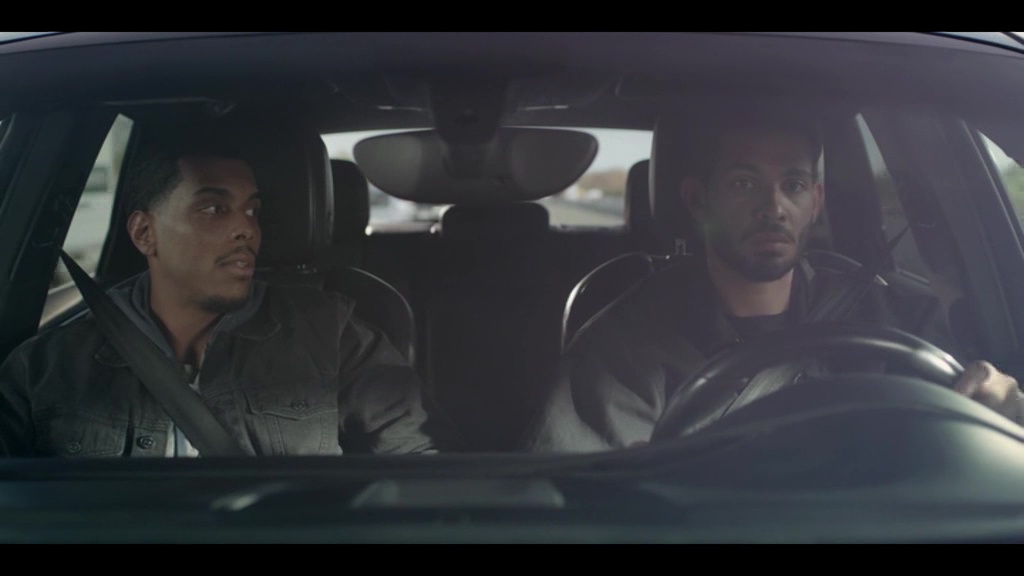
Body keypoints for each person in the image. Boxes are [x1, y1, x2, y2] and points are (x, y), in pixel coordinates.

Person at [523, 106, 1022, 452]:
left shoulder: (894, 317)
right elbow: (579, 503)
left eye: (794, 185)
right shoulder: (627, 347)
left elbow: (969, 447)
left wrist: (1002, 408)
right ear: (698, 200)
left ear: (816, 203)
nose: (774, 207)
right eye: (744, 183)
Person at [0, 127, 458, 457]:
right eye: (214, 208)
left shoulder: (331, 333)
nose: (247, 229)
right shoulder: (48, 365)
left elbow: (422, 461)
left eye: (252, 211)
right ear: (144, 233)